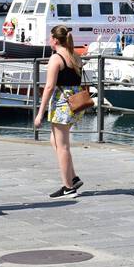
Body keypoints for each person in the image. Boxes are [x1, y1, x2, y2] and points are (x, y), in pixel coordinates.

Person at [34, 25, 85, 199]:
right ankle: (73, 177)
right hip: (75, 103)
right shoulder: (75, 56)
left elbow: (49, 87)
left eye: (50, 37)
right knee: (55, 141)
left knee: (62, 146)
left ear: (55, 40)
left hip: (62, 104)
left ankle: (68, 186)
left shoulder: (56, 59)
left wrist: (40, 112)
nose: (49, 40)